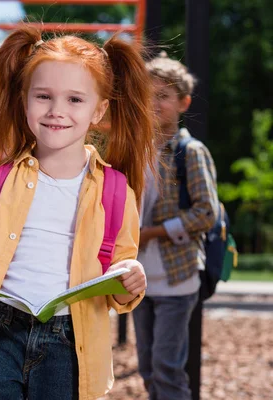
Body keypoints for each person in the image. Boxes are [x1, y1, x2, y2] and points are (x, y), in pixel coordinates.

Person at [0, 26, 154, 400]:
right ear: (24, 100)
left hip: (71, 342)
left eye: (74, 99)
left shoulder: (116, 190)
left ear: (99, 109)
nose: (57, 111)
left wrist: (129, 277)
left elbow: (121, 270)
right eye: (43, 96)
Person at [132, 52, 219, 400]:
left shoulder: (190, 152)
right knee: (148, 368)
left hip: (177, 277)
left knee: (167, 368)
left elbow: (205, 213)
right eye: (147, 95)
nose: (153, 104)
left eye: (163, 96)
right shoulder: (135, 151)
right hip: (137, 279)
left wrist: (151, 233)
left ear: (183, 102)